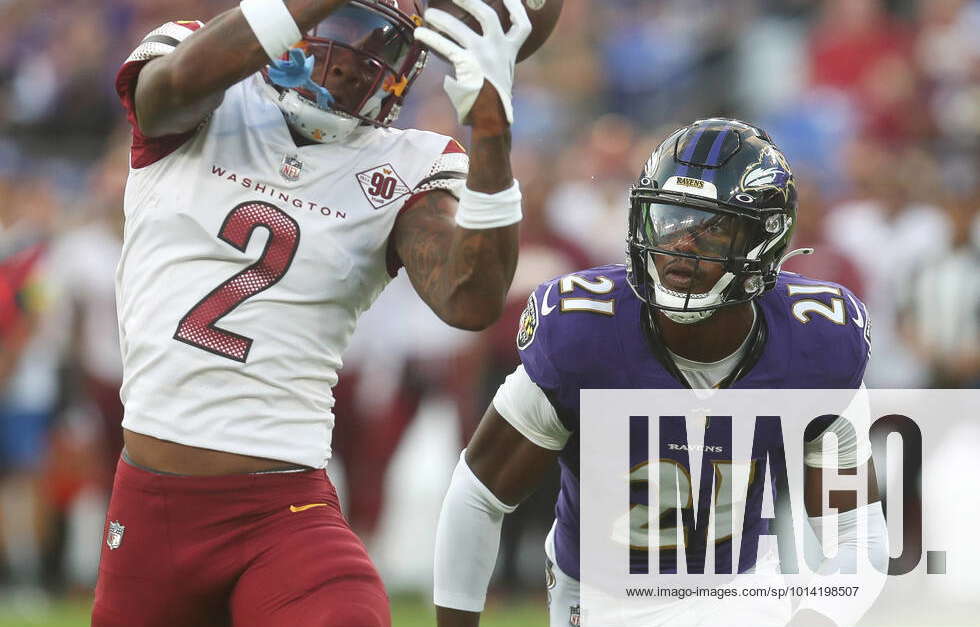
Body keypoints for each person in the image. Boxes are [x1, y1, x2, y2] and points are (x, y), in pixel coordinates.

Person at [93, 0, 532, 625]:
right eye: (350, 29)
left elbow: (472, 298)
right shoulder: (205, 83)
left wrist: (492, 133)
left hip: (284, 512)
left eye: (386, 45)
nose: (360, 63)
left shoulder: (409, 162)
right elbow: (174, 86)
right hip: (153, 508)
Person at [432, 119, 889, 627]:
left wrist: (816, 619)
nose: (682, 244)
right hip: (602, 594)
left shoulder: (816, 343)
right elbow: (477, 494)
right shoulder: (584, 334)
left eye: (712, 227)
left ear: (764, 241)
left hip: (743, 589)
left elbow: (859, 533)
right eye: (669, 218)